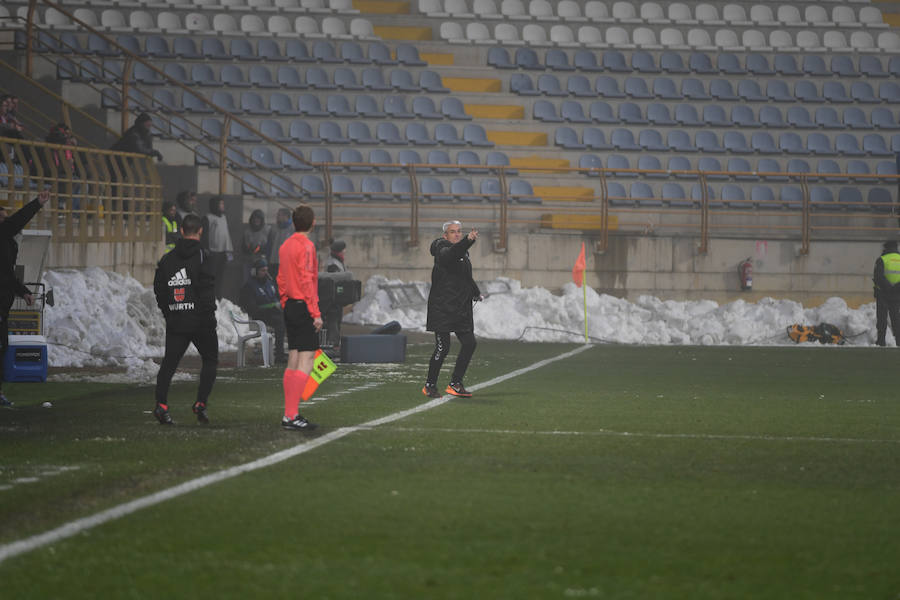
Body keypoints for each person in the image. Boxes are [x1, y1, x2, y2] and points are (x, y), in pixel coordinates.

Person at [152, 213, 218, 425]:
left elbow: (159, 289)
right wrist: (208, 316)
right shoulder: (202, 256)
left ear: (181, 231)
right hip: (200, 321)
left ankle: (161, 405)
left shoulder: (167, 259)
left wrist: (169, 311)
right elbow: (207, 288)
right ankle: (201, 403)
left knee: (169, 364)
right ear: (200, 231)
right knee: (210, 360)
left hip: (177, 319)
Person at [0, 190, 50, 407]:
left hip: (4, 302)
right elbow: (16, 221)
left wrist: (23, 292)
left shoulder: (7, 242)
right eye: (2, 218)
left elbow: (7, 275)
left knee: (2, 346)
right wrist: (37, 204)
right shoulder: (4, 235)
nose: (5, 221)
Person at [422, 220, 482, 399]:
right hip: (442, 308)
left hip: (459, 308)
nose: (457, 234)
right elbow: (451, 254)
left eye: (459, 231)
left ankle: (455, 383)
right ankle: (430, 385)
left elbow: (465, 277)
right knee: (443, 347)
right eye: (453, 232)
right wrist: (467, 240)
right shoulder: (442, 250)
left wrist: (475, 292)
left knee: (470, 343)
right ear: (445, 236)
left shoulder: (463, 253)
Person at [276, 203, 322, 431]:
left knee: (293, 359)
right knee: (306, 359)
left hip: (290, 306)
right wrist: (315, 312)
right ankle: (291, 414)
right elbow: (306, 280)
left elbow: (280, 278)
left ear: (294, 222)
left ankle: (289, 413)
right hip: (303, 306)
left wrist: (286, 301)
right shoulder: (306, 246)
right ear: (313, 223)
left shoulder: (285, 246)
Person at [239, 257, 287, 363]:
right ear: (255, 271)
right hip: (260, 316)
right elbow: (251, 308)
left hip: (275, 313)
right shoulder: (249, 286)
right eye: (262, 270)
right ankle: (279, 354)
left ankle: (294, 351)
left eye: (266, 270)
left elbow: (278, 297)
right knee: (280, 322)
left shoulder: (269, 283)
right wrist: (270, 307)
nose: (265, 273)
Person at [200, 196, 234, 300]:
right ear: (215, 205)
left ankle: (218, 296)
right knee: (211, 277)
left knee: (220, 277)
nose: (223, 206)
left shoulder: (224, 217)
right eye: (221, 204)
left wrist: (229, 251)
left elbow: (226, 235)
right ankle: (209, 296)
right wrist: (205, 249)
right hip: (213, 252)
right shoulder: (207, 218)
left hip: (223, 252)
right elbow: (204, 235)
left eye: (223, 204)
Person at [873, 240, 900, 346]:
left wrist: (888, 287)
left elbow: (878, 277)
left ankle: (881, 341)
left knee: (882, 319)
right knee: (896, 318)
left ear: (886, 248)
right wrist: (896, 288)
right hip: (897, 294)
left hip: (883, 294)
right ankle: (899, 341)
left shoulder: (882, 260)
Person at [322, 239, 347, 350]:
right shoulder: (333, 264)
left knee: (336, 320)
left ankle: (335, 344)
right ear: (338, 252)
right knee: (333, 320)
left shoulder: (337, 261)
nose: (344, 253)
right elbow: (334, 279)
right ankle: (333, 345)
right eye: (343, 251)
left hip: (337, 297)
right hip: (332, 297)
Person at [241, 208, 270, 281]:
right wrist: (250, 249)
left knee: (261, 280)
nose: (256, 220)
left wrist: (260, 249)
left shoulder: (267, 230)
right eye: (255, 218)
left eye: (259, 219)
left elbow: (270, 246)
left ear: (262, 220)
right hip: (249, 260)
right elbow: (244, 247)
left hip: (262, 261)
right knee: (248, 280)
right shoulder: (247, 231)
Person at [268, 207, 293, 282]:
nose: (277, 217)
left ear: (286, 216)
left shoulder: (293, 229)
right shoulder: (273, 228)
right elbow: (269, 244)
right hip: (274, 261)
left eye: (279, 215)